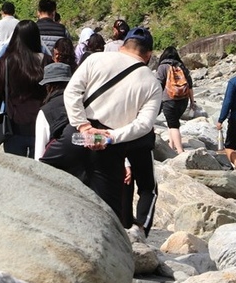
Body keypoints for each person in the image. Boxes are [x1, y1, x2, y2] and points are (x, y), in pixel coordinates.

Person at [63, 26, 162, 228]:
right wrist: (110, 137)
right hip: (110, 147)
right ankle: (128, 237)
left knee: (53, 182)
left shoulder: (95, 59)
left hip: (75, 137)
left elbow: (71, 92)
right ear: (149, 54)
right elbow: (144, 124)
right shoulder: (151, 82)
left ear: (122, 46)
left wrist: (83, 126)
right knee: (108, 212)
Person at [0, 20, 49, 158]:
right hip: (41, 128)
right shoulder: (46, 62)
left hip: (13, 128)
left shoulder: (4, 63)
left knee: (16, 173)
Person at [34, 62, 87, 180]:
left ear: (48, 86)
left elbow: (40, 152)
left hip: (60, 173)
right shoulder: (84, 102)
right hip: (87, 169)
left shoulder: (46, 111)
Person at [155, 46, 194, 154]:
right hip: (183, 99)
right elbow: (190, 85)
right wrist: (192, 101)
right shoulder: (182, 66)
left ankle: (180, 150)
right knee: (172, 121)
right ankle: (171, 146)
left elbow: (158, 84)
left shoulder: (163, 67)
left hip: (169, 99)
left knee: (173, 125)